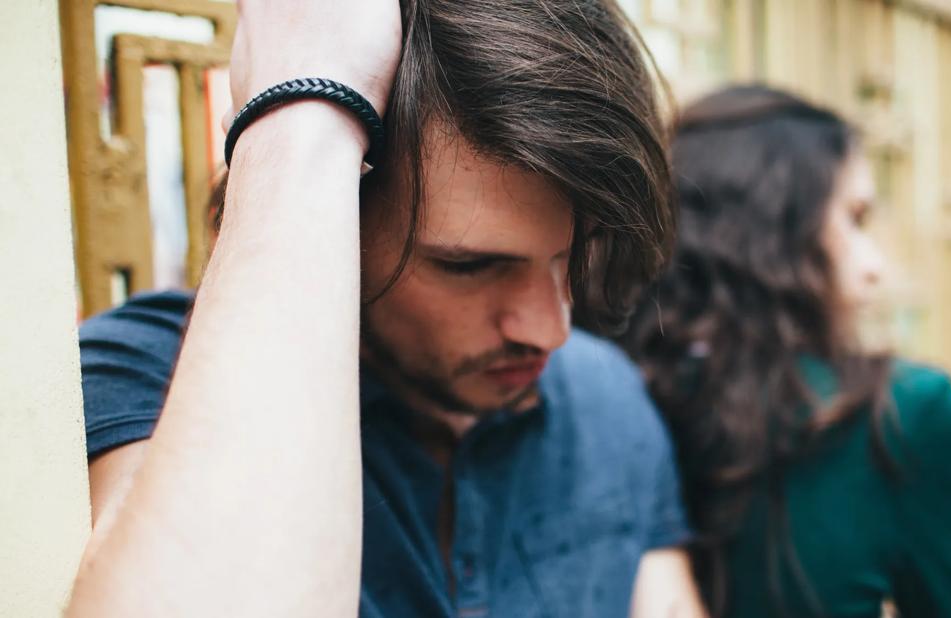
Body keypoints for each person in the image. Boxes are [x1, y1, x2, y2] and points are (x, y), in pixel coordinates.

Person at [67, 1, 705, 616]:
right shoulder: (144, 377)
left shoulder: (607, 396)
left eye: (574, 255)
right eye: (469, 265)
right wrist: (304, 113)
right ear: (341, 208)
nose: (550, 328)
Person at [620, 85, 951, 617]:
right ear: (775, 237)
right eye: (854, 218)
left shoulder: (616, 389)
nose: (875, 267)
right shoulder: (906, 413)